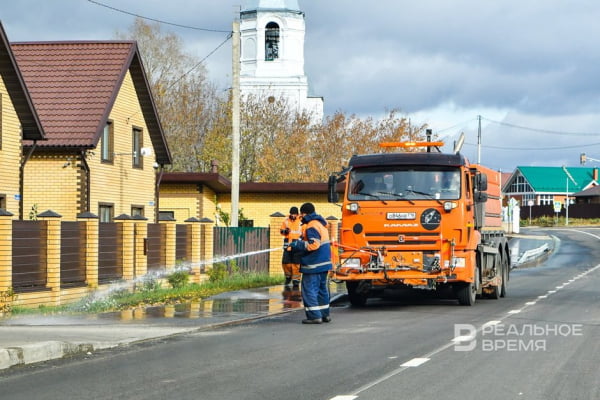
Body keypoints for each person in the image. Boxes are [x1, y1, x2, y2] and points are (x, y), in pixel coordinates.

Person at [289, 202, 333, 324]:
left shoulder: (311, 226)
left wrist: (298, 245)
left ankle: (314, 316)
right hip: (324, 264)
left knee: (309, 290)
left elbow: (314, 244)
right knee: (321, 290)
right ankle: (325, 314)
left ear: (304, 213)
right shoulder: (320, 224)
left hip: (314, 265)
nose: (300, 217)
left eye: (301, 215)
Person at [280, 206, 302, 288]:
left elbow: (303, 231)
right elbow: (281, 231)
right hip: (288, 244)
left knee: (296, 264)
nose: (293, 215)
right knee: (286, 263)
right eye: (292, 214)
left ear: (297, 214)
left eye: (294, 214)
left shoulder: (301, 221)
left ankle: (296, 280)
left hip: (298, 245)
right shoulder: (286, 221)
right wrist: (285, 231)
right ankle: (288, 277)